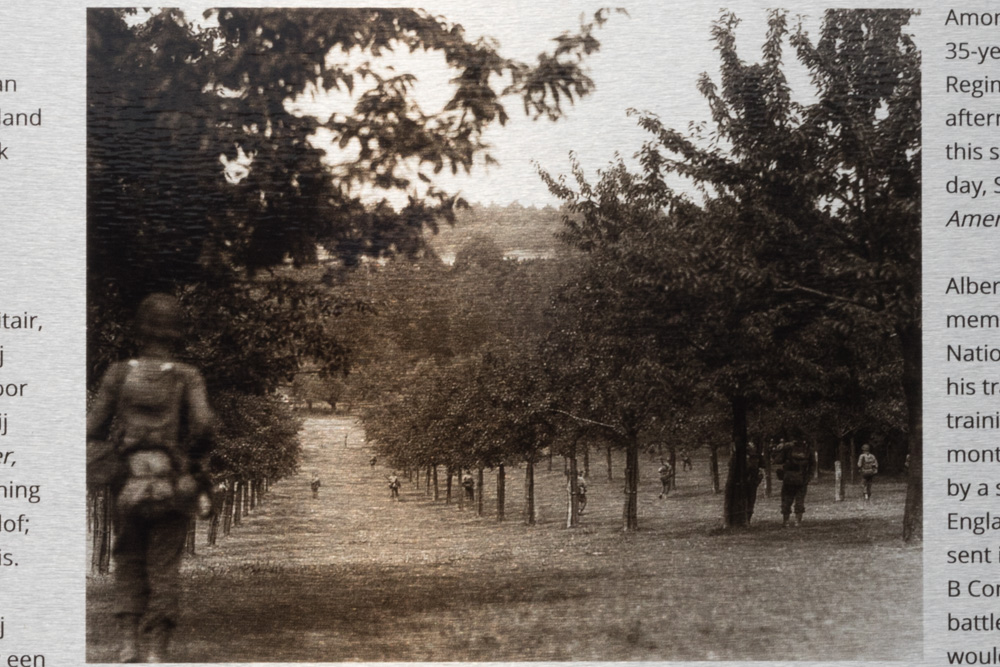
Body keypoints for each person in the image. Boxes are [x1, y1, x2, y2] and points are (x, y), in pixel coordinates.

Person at [87, 294, 216, 663]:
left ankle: (128, 645)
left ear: (139, 330)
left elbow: (92, 428)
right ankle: (157, 651)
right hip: (171, 484)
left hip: (129, 483)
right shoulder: (187, 376)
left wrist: (112, 457)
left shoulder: (118, 373)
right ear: (177, 334)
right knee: (164, 566)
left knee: (127, 559)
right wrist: (189, 461)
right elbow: (205, 425)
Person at [772, 438, 814, 527]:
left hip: (789, 478)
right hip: (802, 477)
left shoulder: (788, 448)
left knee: (787, 499)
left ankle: (786, 521)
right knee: (800, 500)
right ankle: (797, 522)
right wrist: (809, 476)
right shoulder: (807, 449)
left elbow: (777, 460)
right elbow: (812, 464)